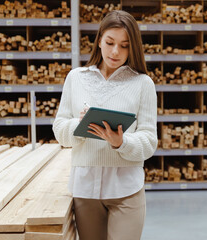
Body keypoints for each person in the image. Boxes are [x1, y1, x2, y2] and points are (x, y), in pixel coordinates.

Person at [52, 10, 158, 240]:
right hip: (85, 189)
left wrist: (122, 142)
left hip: (126, 190)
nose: (115, 52)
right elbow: (60, 130)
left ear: (133, 48)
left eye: (124, 45)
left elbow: (149, 141)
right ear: (99, 39)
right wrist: (79, 126)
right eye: (110, 42)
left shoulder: (143, 84)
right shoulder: (76, 78)